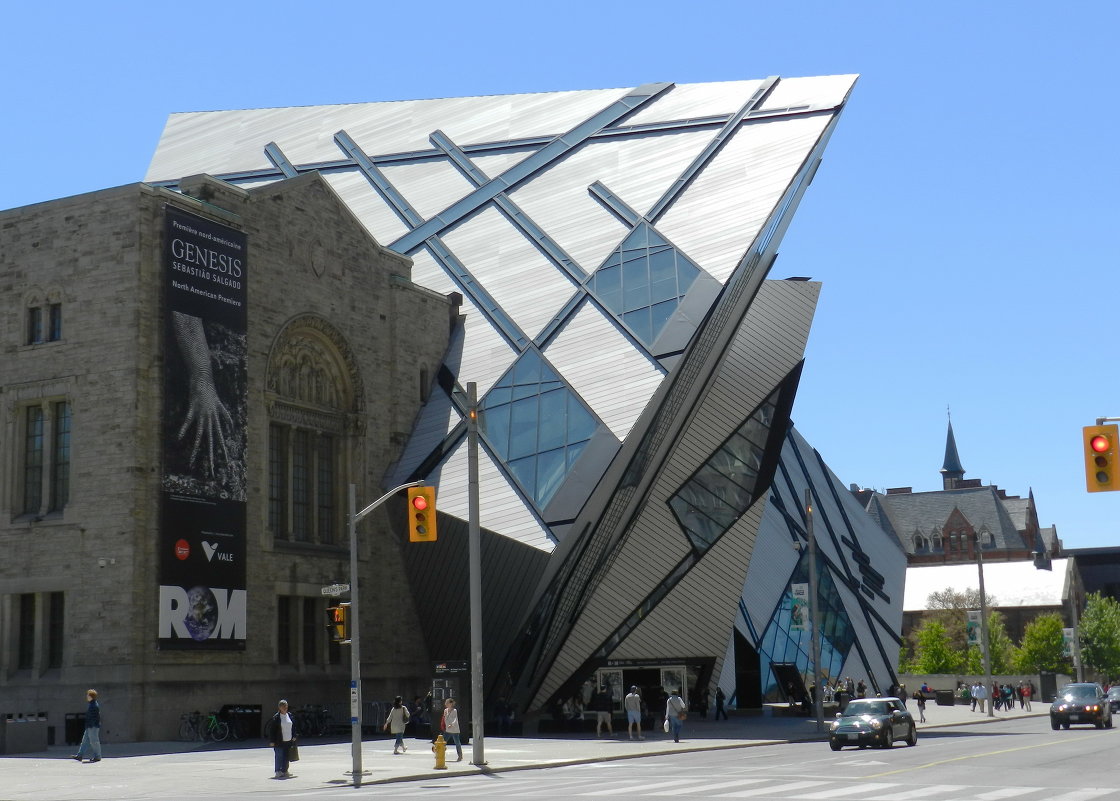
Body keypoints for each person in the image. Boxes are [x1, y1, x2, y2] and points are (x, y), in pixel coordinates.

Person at [264, 699, 295, 779]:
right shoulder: (276, 718)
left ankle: (284, 770)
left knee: (286, 756)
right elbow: (272, 730)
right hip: (279, 740)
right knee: (279, 756)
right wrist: (272, 741)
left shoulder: (290, 715)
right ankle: (278, 771)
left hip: (288, 740)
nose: (285, 708)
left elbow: (293, 726)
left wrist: (294, 735)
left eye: (286, 706)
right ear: (279, 707)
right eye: (283, 706)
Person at [72, 689, 102, 763]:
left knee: (94, 741)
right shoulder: (91, 704)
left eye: (88, 695)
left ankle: (97, 756)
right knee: (84, 741)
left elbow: (94, 717)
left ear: (91, 696)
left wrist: (91, 725)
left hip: (93, 726)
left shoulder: (94, 705)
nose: (87, 696)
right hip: (89, 726)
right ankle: (80, 755)